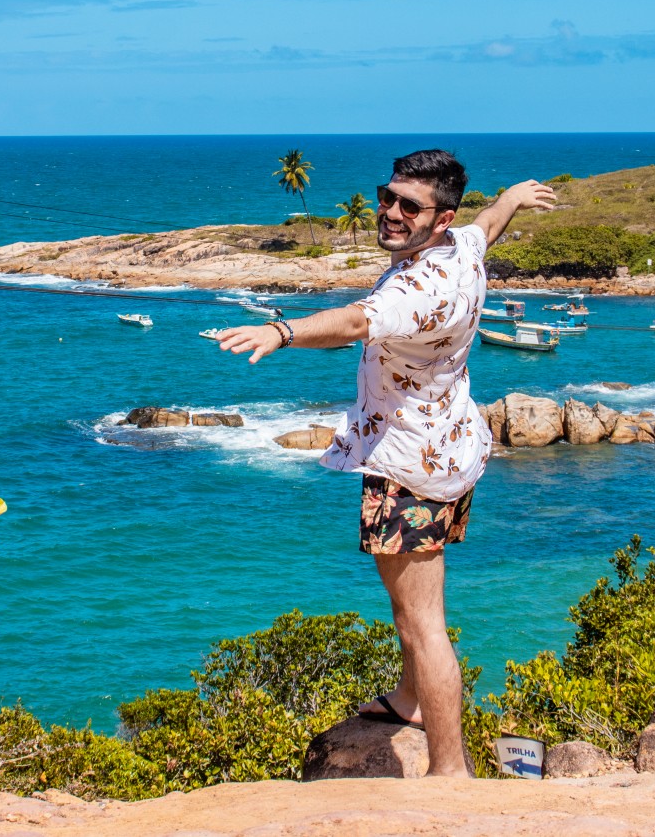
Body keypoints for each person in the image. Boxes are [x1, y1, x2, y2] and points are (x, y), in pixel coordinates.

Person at [216, 150, 556, 778]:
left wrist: (281, 333)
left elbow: (352, 321)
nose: (391, 212)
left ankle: (449, 769)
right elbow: (490, 226)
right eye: (387, 196)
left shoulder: (417, 289)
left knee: (422, 621)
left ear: (440, 216)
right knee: (416, 607)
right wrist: (513, 196)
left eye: (409, 206)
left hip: (408, 470)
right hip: (453, 447)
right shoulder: (460, 247)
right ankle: (407, 700)